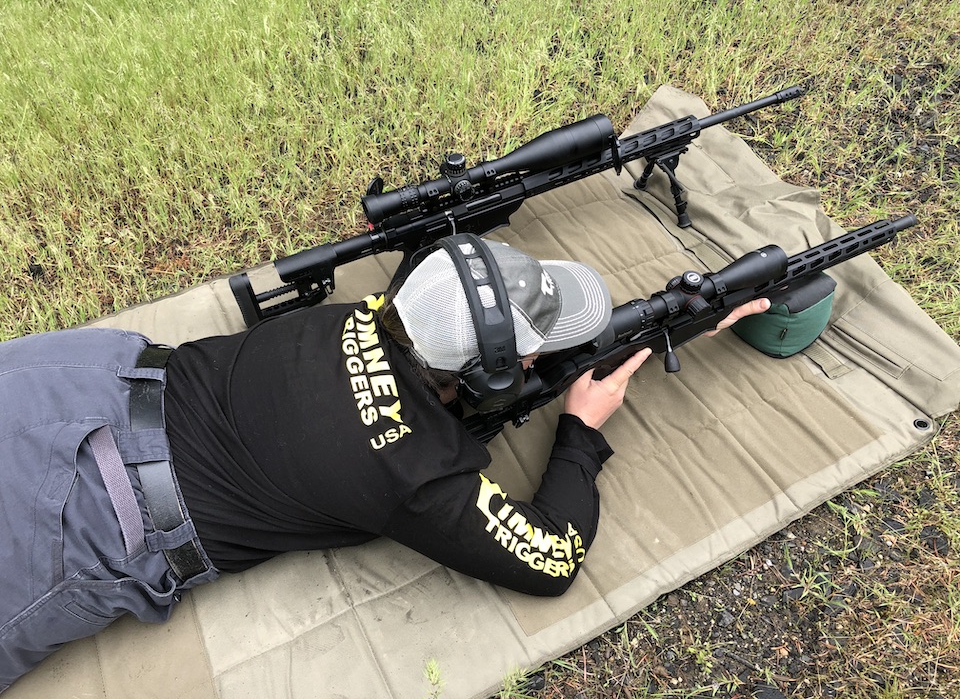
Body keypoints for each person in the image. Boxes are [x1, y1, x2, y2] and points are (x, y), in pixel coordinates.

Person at [0, 234, 769, 691]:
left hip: (72, 381)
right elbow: (553, 556)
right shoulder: (415, 472)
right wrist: (582, 431)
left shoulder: (356, 314)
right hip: (89, 516)